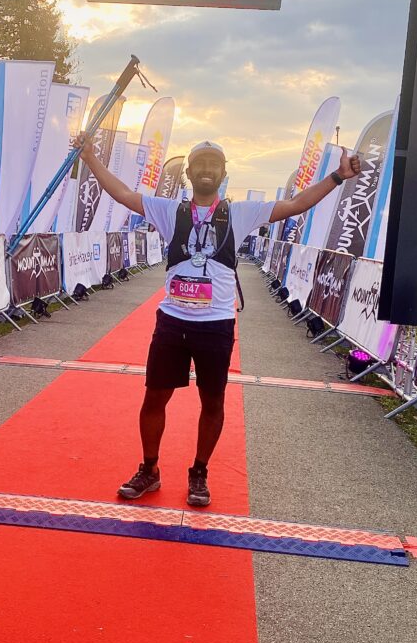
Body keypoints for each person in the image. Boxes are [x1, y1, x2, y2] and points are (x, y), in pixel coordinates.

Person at [76, 134, 361, 507]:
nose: (207, 169)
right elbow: (123, 194)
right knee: (154, 397)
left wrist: (337, 177)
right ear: (189, 172)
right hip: (173, 320)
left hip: (216, 324)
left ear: (224, 173)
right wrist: (90, 158)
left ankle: (199, 472)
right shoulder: (169, 210)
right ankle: (150, 469)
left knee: (212, 402)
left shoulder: (240, 213)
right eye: (201, 163)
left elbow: (295, 204)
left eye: (214, 164)